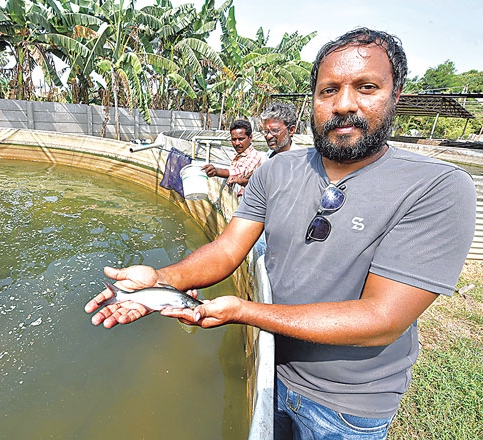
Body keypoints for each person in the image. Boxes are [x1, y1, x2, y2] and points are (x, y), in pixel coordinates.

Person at [85, 27, 476, 439]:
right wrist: (161, 280)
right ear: (313, 100)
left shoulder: (437, 187)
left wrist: (243, 312)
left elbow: (381, 319)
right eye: (329, 90)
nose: (344, 104)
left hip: (345, 406)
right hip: (268, 369)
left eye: (366, 87)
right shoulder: (276, 170)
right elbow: (226, 249)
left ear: (395, 95)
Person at [201, 119, 262, 195]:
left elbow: (241, 172)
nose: (236, 143)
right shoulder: (240, 155)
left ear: (250, 138)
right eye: (233, 139)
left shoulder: (254, 156)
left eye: (241, 139)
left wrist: (217, 171)